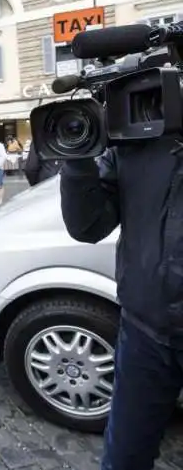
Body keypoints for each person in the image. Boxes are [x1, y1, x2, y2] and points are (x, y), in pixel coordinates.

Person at [61, 141, 183, 470]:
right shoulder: (136, 135)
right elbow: (88, 226)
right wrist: (78, 158)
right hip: (145, 332)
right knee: (123, 460)